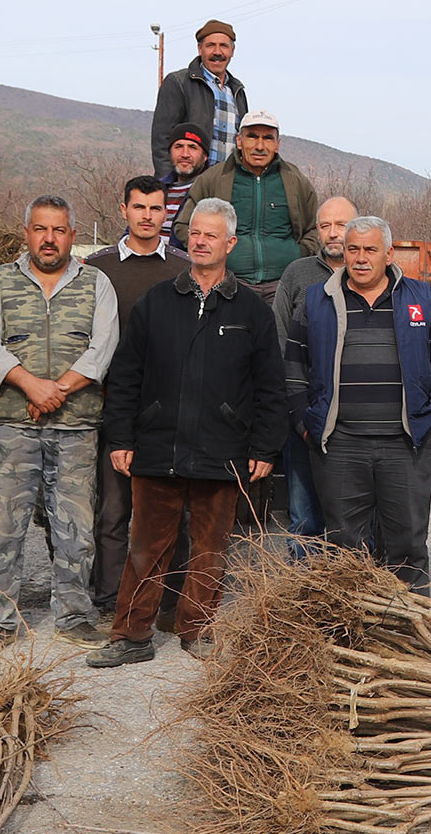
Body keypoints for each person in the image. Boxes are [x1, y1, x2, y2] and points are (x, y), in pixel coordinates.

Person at [93, 198, 288, 667]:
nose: (199, 241)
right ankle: (131, 635)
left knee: (210, 547)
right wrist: (121, 437)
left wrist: (263, 446)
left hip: (223, 449)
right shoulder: (157, 301)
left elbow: (270, 387)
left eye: (211, 235)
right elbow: (125, 375)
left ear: (231, 244)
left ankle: (196, 629)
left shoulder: (252, 312)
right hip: (157, 444)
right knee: (146, 545)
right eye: (194, 233)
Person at [0, 195, 119, 647]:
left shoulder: (96, 283)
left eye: (58, 230)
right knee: (2, 526)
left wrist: (56, 391)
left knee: (74, 526)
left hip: (76, 427)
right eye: (40, 229)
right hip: (11, 425)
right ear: (27, 233)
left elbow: (103, 347)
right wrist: (31, 386)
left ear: (73, 235)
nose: (49, 239)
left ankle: (74, 616)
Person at [286, 215, 431, 589]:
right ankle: (356, 636)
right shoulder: (317, 300)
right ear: (343, 253)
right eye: (353, 249)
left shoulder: (420, 298)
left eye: (370, 250)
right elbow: (294, 364)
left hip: (405, 444)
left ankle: (408, 635)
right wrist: (303, 423)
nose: (361, 258)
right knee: (345, 548)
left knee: (407, 544)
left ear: (389, 254)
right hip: (340, 445)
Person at [88, 176, 193, 627]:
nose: (148, 216)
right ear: (124, 210)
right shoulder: (98, 267)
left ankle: (169, 598)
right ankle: (112, 597)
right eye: (139, 207)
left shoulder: (183, 267)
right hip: (113, 404)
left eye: (156, 208)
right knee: (113, 509)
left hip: (169, 408)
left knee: (174, 509)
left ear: (165, 213)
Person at [272, 196, 358, 549]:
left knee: (352, 519)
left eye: (341, 225)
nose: (333, 233)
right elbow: (278, 339)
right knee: (304, 517)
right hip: (306, 417)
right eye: (325, 226)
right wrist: (295, 409)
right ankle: (302, 600)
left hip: (358, 422)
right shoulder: (298, 274)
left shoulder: (371, 274)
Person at [173, 110, 318, 301]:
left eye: (267, 138)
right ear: (239, 141)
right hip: (228, 284)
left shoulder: (295, 180)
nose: (259, 146)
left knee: (279, 331)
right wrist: (211, 254)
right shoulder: (214, 179)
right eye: (252, 137)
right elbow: (183, 226)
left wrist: (298, 253)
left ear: (277, 145)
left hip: (282, 286)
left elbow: (314, 229)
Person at [150, 19, 249, 180]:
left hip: (229, 186)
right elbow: (162, 139)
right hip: (190, 185)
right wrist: (167, 184)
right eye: (210, 45)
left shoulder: (237, 91)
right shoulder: (179, 83)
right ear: (199, 48)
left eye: (223, 46)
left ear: (232, 50)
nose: (217, 52)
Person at [156, 123, 210, 232]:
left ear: (205, 156)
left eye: (192, 147)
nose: (185, 154)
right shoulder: (156, 188)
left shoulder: (211, 190)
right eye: (178, 147)